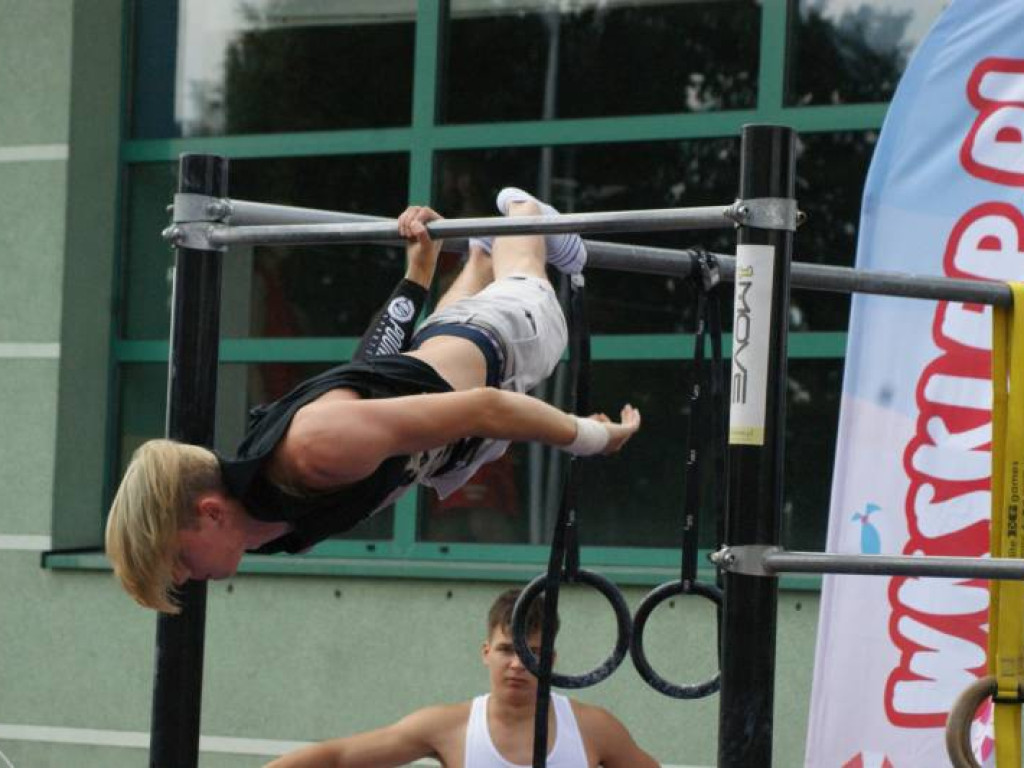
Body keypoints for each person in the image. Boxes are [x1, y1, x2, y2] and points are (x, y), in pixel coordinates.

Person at [105, 189, 642, 613]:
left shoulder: (312, 449)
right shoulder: (259, 524)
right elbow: (367, 372)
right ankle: (481, 252)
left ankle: (520, 211)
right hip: (448, 382)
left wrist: (592, 438)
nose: (182, 578)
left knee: (532, 287)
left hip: (499, 344)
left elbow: (485, 407)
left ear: (209, 511)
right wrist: (417, 277)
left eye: (175, 560)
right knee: (452, 342)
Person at [262, 588, 661, 768]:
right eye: (508, 650)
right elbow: (338, 758)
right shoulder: (448, 726)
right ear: (486, 653)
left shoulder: (595, 729)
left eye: (533, 654)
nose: (519, 665)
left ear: (552, 659)